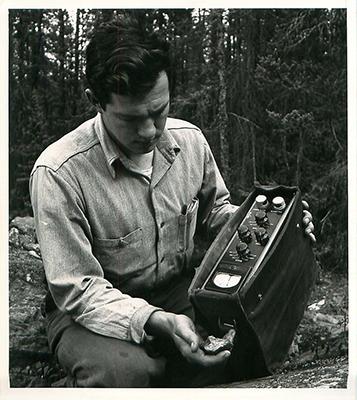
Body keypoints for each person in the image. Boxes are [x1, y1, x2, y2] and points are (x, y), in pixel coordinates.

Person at [29, 16, 315, 388]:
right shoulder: (59, 172)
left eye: (158, 112)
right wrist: (159, 321)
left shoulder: (190, 142)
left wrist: (278, 229)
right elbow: (77, 288)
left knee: (243, 347)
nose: (149, 132)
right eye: (131, 119)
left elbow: (219, 218)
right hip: (89, 309)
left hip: (177, 291)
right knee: (125, 373)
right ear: (94, 101)